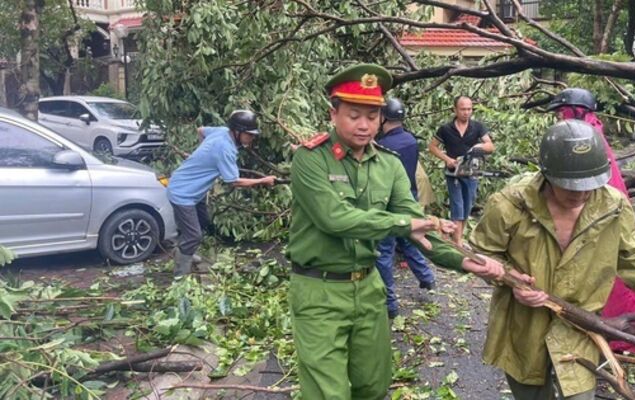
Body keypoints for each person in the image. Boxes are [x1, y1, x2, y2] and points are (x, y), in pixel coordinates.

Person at [286, 63, 504, 400]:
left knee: (373, 386)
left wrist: (465, 262)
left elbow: (417, 224)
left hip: (369, 288)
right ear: (333, 113)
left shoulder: (387, 165)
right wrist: (407, 224)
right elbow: (336, 219)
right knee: (326, 393)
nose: (364, 125)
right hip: (319, 291)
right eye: (354, 114)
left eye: (372, 116)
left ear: (382, 118)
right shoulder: (310, 159)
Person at [470, 119, 635, 400]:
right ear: (548, 175)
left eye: (589, 185)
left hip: (582, 325)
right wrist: (510, 279)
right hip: (522, 324)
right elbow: (481, 253)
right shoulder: (509, 205)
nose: (581, 194)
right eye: (570, 187)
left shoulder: (611, 205)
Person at [546, 87, 635, 354]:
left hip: (600, 214)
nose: (559, 117)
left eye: (561, 111)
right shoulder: (588, 131)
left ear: (575, 110)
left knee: (606, 276)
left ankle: (613, 335)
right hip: (601, 210)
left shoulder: (585, 139)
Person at [167, 110, 276, 277]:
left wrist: (202, 155)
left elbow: (200, 130)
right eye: (249, 134)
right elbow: (234, 181)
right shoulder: (225, 149)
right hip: (183, 193)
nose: (252, 138)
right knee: (194, 235)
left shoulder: (222, 131)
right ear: (237, 131)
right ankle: (179, 276)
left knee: (202, 221)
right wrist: (263, 181)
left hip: (195, 190)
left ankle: (183, 250)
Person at [374, 98, 435, 319]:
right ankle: (427, 278)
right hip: (409, 196)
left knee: (384, 251)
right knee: (411, 239)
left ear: (384, 118)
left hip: (391, 200)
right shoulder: (410, 140)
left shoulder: (383, 146)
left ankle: (389, 304)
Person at [428, 95, 495, 246]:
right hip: (453, 172)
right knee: (457, 204)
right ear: (455, 110)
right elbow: (432, 147)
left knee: (468, 204)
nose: (466, 112)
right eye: (463, 109)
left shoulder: (477, 127)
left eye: (469, 109)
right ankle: (456, 241)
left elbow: (491, 146)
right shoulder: (446, 129)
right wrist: (447, 160)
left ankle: (459, 236)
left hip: (471, 171)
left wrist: (479, 147)